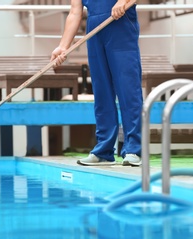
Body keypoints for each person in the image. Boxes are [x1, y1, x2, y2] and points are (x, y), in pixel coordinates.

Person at [51, 0, 142, 166]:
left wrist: (122, 1)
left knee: (128, 90)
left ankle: (133, 149)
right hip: (94, 31)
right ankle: (104, 150)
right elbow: (75, 12)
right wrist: (63, 46)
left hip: (121, 26)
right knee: (102, 93)